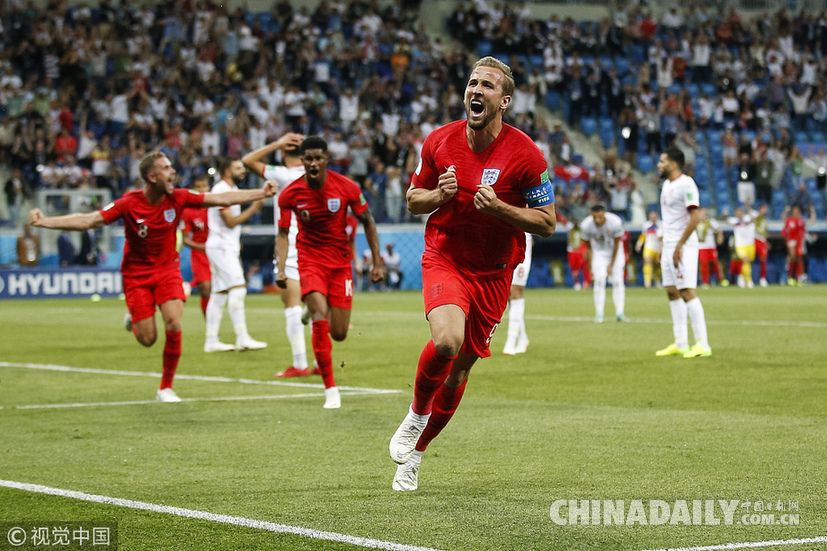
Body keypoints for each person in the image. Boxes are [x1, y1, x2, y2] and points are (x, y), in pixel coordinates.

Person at [388, 56, 556, 492]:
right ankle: (416, 413)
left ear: (505, 100)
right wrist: (437, 196)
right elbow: (412, 200)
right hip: (445, 255)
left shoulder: (527, 155)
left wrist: (500, 208)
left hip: (495, 272)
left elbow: (548, 222)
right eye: (472, 83)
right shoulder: (439, 141)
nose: (476, 90)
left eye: (487, 85)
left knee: (460, 371)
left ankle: (416, 454)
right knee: (447, 340)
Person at [28, 152, 277, 402]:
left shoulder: (178, 197)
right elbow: (89, 220)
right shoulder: (128, 203)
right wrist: (45, 221)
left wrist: (260, 193)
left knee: (174, 323)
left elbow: (220, 197)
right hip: (136, 275)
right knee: (148, 339)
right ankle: (135, 318)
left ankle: (165, 388)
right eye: (166, 168)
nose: (173, 172)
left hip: (168, 270)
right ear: (151, 176)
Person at [276, 136, 383, 409]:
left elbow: (368, 222)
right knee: (319, 316)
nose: (313, 163)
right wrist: (281, 267)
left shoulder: (346, 187)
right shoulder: (290, 194)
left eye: (318, 158)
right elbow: (282, 233)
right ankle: (330, 389)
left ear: (326, 159)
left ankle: (313, 306)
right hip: (310, 260)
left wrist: (376, 263)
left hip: (340, 264)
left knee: (339, 334)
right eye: (308, 158)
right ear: (302, 161)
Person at [241, 132, 312, 376]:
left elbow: (247, 160)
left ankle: (300, 364)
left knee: (291, 304)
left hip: (290, 245)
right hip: (315, 246)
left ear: (283, 153)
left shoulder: (281, 174)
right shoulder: (316, 174)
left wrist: (276, 143)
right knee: (315, 304)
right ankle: (321, 364)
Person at [204, 158, 269, 353]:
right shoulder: (222, 190)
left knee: (219, 294)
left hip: (222, 245)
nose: (242, 170)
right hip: (221, 246)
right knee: (238, 288)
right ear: (226, 171)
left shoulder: (227, 188)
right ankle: (242, 337)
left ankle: (211, 340)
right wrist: (254, 208)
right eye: (237, 167)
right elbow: (230, 222)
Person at [654, 146, 711, 359]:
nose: (659, 165)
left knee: (687, 291)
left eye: (662, 161)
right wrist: (664, 246)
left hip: (683, 246)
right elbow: (669, 219)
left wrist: (678, 245)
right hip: (669, 245)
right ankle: (681, 343)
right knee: (672, 291)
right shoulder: (667, 184)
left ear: (674, 164)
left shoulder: (686, 184)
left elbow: (695, 217)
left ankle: (703, 344)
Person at [581, 204, 629, 323]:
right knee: (599, 280)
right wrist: (591, 266)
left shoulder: (615, 222)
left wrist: (611, 265)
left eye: (600, 217)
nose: (597, 220)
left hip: (615, 252)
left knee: (617, 281)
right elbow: (589, 248)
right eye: (594, 217)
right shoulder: (585, 226)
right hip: (599, 252)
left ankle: (620, 313)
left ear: (604, 214)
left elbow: (617, 244)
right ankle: (599, 313)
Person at [180, 174, 212, 317]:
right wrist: (204, 248)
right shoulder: (188, 211)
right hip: (200, 252)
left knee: (228, 290)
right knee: (205, 289)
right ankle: (210, 326)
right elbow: (185, 239)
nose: (201, 189)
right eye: (197, 187)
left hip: (220, 250)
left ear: (209, 187)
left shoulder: (215, 207)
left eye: (203, 186)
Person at [502, 232, 532, 355]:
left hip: (520, 238)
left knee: (516, 290)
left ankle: (511, 339)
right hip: (503, 240)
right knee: (507, 294)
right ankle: (523, 338)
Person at [696, 208, 728, 288]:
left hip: (711, 246)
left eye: (705, 213)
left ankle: (720, 279)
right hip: (701, 246)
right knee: (703, 264)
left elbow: (719, 230)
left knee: (715, 263)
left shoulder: (710, 221)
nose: (704, 214)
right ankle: (705, 282)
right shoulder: (696, 222)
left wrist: (720, 237)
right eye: (702, 213)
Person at [782, 205, 811, 286]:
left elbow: (803, 231)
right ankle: (791, 277)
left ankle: (799, 278)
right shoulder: (789, 220)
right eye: (794, 210)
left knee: (799, 259)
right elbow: (785, 231)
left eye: (797, 210)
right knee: (792, 257)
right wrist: (787, 242)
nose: (796, 211)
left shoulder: (802, 220)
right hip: (791, 241)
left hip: (799, 242)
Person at [634, 210, 663, 289]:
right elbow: (643, 235)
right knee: (647, 262)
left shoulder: (661, 225)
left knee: (658, 265)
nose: (652, 217)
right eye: (651, 215)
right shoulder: (646, 225)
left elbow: (662, 237)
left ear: (657, 216)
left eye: (654, 215)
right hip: (649, 247)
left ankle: (657, 281)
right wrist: (639, 244)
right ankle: (647, 282)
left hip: (658, 248)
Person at [753, 203, 770, 287]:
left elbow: (765, 232)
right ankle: (746, 278)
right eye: (763, 209)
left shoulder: (765, 221)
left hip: (762, 240)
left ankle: (763, 278)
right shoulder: (757, 217)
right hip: (755, 239)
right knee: (749, 259)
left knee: (763, 259)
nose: (765, 211)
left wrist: (766, 242)